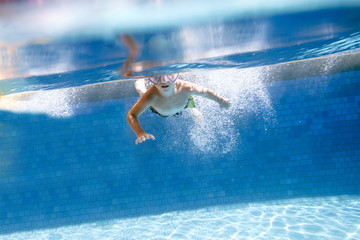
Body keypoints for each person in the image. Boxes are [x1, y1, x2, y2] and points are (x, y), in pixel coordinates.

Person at [127, 73, 231, 144]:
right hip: (161, 111)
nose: (164, 80)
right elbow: (132, 115)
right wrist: (139, 132)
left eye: (170, 75)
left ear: (177, 74)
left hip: (184, 103)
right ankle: (140, 86)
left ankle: (193, 109)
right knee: (142, 92)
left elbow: (206, 92)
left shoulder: (186, 87)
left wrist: (221, 100)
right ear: (150, 78)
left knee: (189, 101)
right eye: (156, 77)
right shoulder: (150, 97)